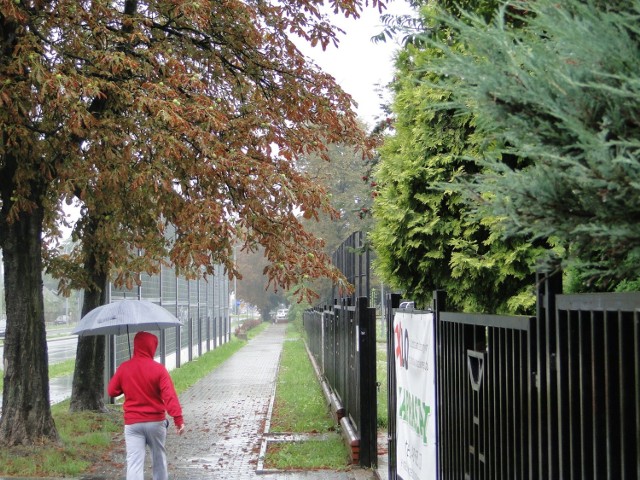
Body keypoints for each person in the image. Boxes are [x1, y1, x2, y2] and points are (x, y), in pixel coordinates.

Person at [108, 331, 185, 480]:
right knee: (159, 460)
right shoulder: (159, 369)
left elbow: (112, 391)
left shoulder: (124, 368)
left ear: (136, 346)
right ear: (152, 347)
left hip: (132, 424)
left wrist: (126, 382)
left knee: (134, 463)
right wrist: (178, 419)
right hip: (155, 423)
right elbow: (169, 396)